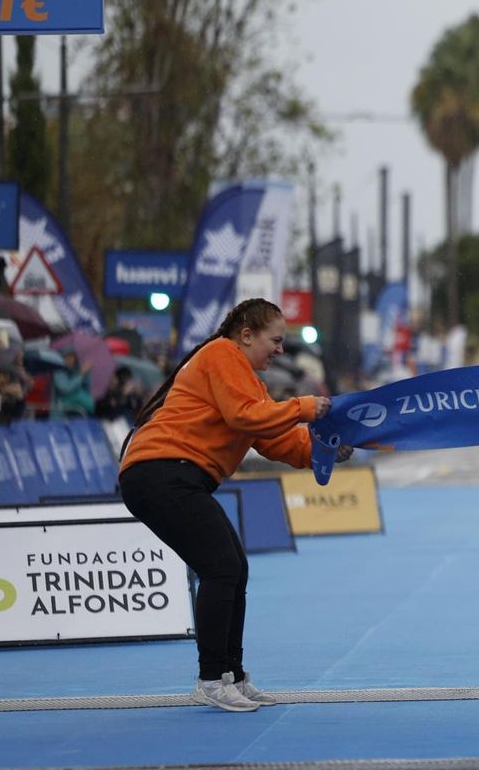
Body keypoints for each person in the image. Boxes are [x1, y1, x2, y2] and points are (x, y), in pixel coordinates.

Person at [119, 298, 352, 712]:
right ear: (246, 335)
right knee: (221, 567)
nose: (280, 350)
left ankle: (232, 675)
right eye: (275, 340)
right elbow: (248, 418)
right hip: (160, 473)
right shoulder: (222, 354)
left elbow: (273, 438)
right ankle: (211, 678)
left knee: (234, 567)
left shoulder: (245, 377)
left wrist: (324, 450)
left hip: (172, 476)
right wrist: (304, 407)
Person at [52, 350, 95, 418]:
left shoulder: (75, 369)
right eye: (67, 358)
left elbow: (86, 389)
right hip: (61, 406)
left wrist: (87, 373)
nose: (70, 360)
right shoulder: (58, 371)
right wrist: (81, 374)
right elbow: (65, 389)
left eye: (72, 358)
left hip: (77, 410)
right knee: (81, 397)